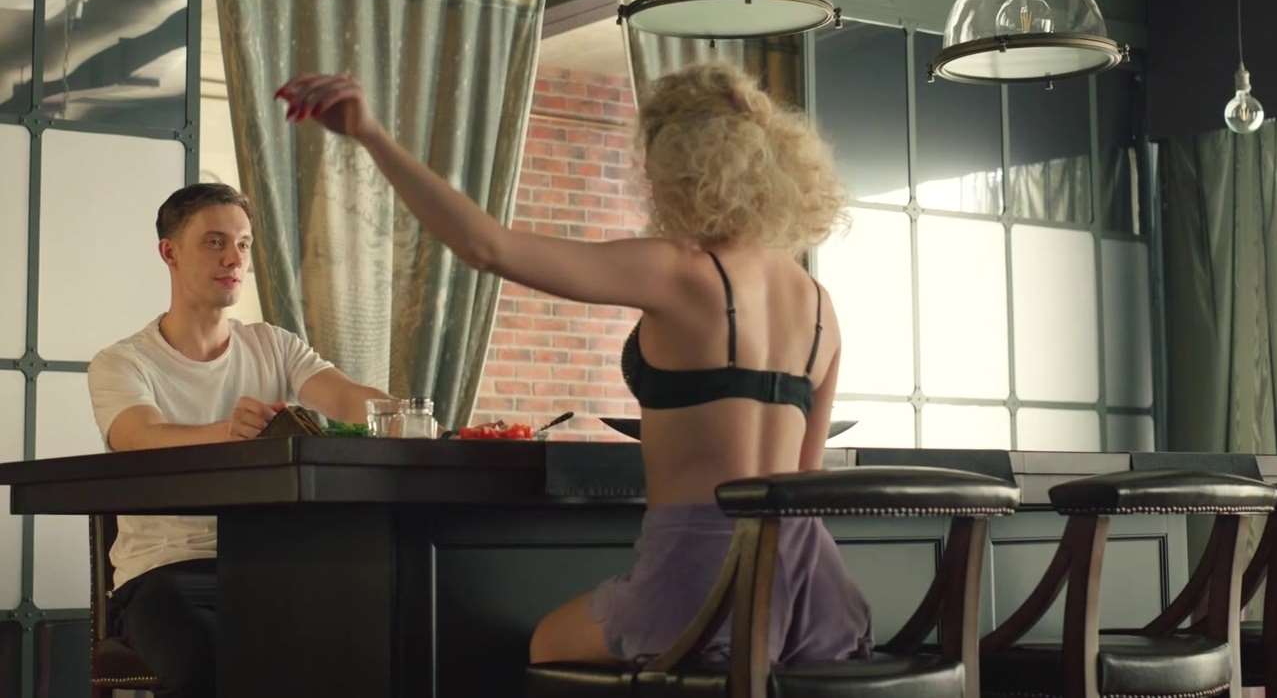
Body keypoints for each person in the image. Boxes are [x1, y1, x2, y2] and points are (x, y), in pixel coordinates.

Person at [275, 62, 872, 666]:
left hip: (701, 583)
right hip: (811, 589)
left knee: (548, 647)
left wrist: (371, 133)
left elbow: (488, 246)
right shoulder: (818, 305)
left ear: (682, 166)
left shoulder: (679, 270)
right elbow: (803, 480)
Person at [87, 182, 391, 697]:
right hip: (165, 573)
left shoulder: (274, 345)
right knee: (205, 661)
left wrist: (405, 413)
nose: (234, 258)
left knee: (375, 639)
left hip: (273, 567)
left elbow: (346, 397)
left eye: (244, 244)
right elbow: (139, 434)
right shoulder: (122, 362)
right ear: (169, 252)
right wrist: (227, 433)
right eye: (215, 242)